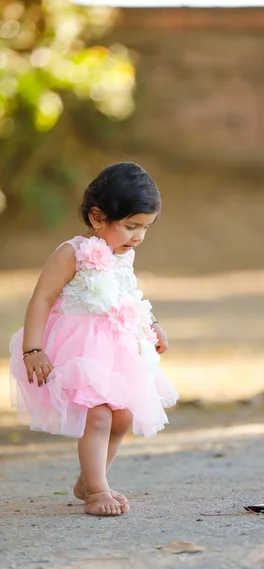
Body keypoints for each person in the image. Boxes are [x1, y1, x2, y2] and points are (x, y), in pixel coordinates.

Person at [9, 161, 179, 517]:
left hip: (117, 349)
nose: (138, 237)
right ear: (98, 217)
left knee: (123, 417)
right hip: (80, 349)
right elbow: (41, 298)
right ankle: (96, 492)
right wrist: (33, 349)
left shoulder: (124, 256)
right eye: (132, 226)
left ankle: (90, 478)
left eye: (145, 228)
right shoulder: (71, 253)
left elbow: (128, 296)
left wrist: (153, 325)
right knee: (98, 416)